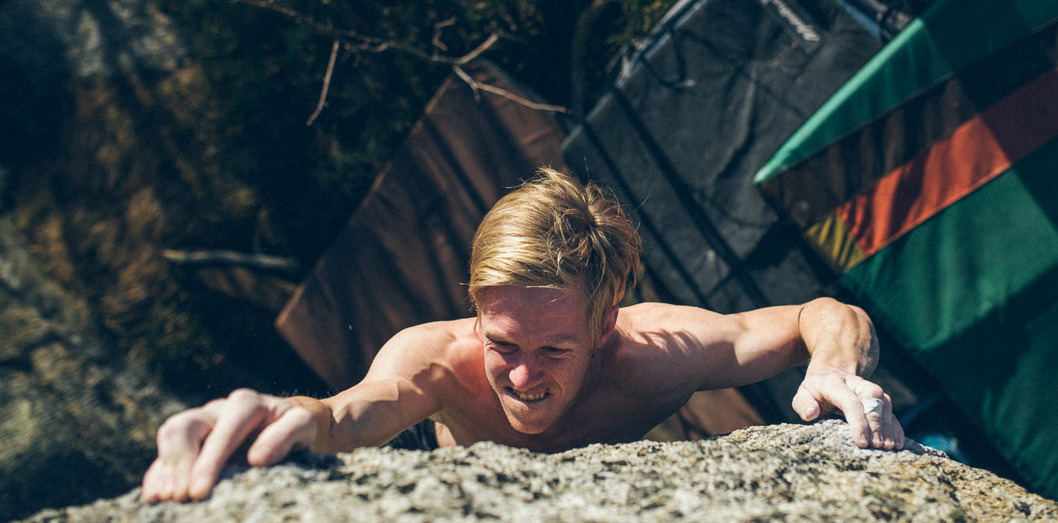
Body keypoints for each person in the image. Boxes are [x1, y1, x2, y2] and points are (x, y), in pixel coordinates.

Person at [142, 168, 904, 503]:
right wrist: (286, 417)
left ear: (604, 324)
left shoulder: (654, 350)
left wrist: (835, 367)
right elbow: (347, 414)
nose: (521, 377)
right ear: (476, 310)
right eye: (502, 342)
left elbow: (821, 313)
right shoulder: (436, 361)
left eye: (555, 350)